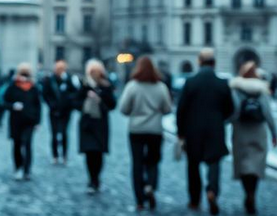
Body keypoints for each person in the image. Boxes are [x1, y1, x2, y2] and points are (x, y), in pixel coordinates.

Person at [176, 48, 234, 215]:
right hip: (215, 129)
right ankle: (212, 191)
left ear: (199, 62)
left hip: (192, 130)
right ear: (214, 63)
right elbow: (230, 108)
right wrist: (219, 119)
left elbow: (181, 109)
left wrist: (180, 131)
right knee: (214, 162)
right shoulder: (222, 83)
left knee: (193, 166)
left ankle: (195, 200)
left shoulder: (190, 82)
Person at [119, 56, 173, 211]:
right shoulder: (161, 87)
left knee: (137, 163)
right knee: (153, 161)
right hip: (155, 130)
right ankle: (150, 185)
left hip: (136, 129)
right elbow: (168, 109)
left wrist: (135, 111)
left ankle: (140, 200)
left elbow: (123, 109)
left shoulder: (132, 86)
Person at [229, 62, 277, 216]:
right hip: (258, 131)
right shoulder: (261, 89)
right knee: (255, 165)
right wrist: (274, 134)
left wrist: (228, 122)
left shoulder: (236, 89)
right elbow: (268, 113)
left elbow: (234, 111)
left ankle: (247, 193)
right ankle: (252, 194)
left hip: (241, 131)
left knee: (243, 165)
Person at [75, 58, 116, 193]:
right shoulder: (84, 85)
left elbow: (112, 104)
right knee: (89, 153)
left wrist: (100, 99)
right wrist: (86, 99)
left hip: (100, 124)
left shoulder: (106, 86)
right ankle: (91, 180)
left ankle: (96, 178)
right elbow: (75, 102)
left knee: (98, 153)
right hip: (87, 124)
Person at [4, 63, 42, 180]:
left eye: (26, 75)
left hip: (29, 121)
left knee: (27, 144)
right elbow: (4, 102)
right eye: (22, 74)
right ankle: (18, 167)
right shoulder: (13, 86)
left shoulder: (34, 88)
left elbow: (38, 105)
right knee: (16, 145)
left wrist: (38, 122)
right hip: (16, 121)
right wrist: (13, 106)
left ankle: (27, 170)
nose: (24, 77)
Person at [41, 59, 79, 164]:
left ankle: (64, 155)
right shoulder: (50, 80)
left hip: (66, 111)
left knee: (64, 133)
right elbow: (45, 94)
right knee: (54, 134)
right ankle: (55, 155)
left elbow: (75, 93)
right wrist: (51, 104)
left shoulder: (69, 79)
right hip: (54, 111)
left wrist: (69, 101)